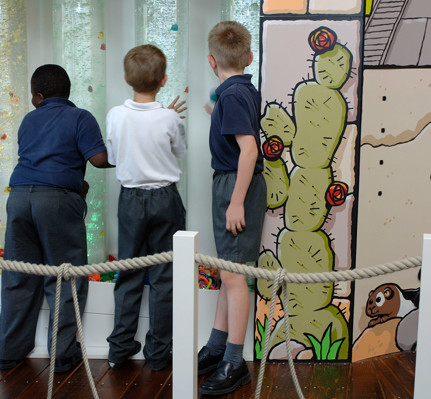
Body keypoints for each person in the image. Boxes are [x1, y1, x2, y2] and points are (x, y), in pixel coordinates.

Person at [0, 64, 111, 373]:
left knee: (19, 274)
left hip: (19, 197)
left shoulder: (29, 119)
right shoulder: (80, 117)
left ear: (38, 97)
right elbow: (98, 160)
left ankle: (8, 351)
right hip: (57, 202)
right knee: (65, 276)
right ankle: (62, 355)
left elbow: (41, 161)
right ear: (68, 93)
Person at [105, 44, 187, 371]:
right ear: (164, 79)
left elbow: (111, 158)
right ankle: (158, 355)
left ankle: (119, 350)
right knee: (165, 276)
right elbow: (178, 150)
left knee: (128, 273)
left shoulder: (114, 114)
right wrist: (166, 116)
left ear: (126, 78)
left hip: (130, 200)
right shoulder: (169, 116)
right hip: (166, 199)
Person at [198, 21, 266, 396]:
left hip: (235, 185)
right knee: (228, 270)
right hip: (230, 182)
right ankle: (217, 347)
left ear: (212, 61)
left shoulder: (235, 95)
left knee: (235, 274)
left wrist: (237, 200)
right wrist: (215, 111)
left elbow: (249, 150)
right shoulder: (237, 92)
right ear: (249, 56)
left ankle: (234, 362)